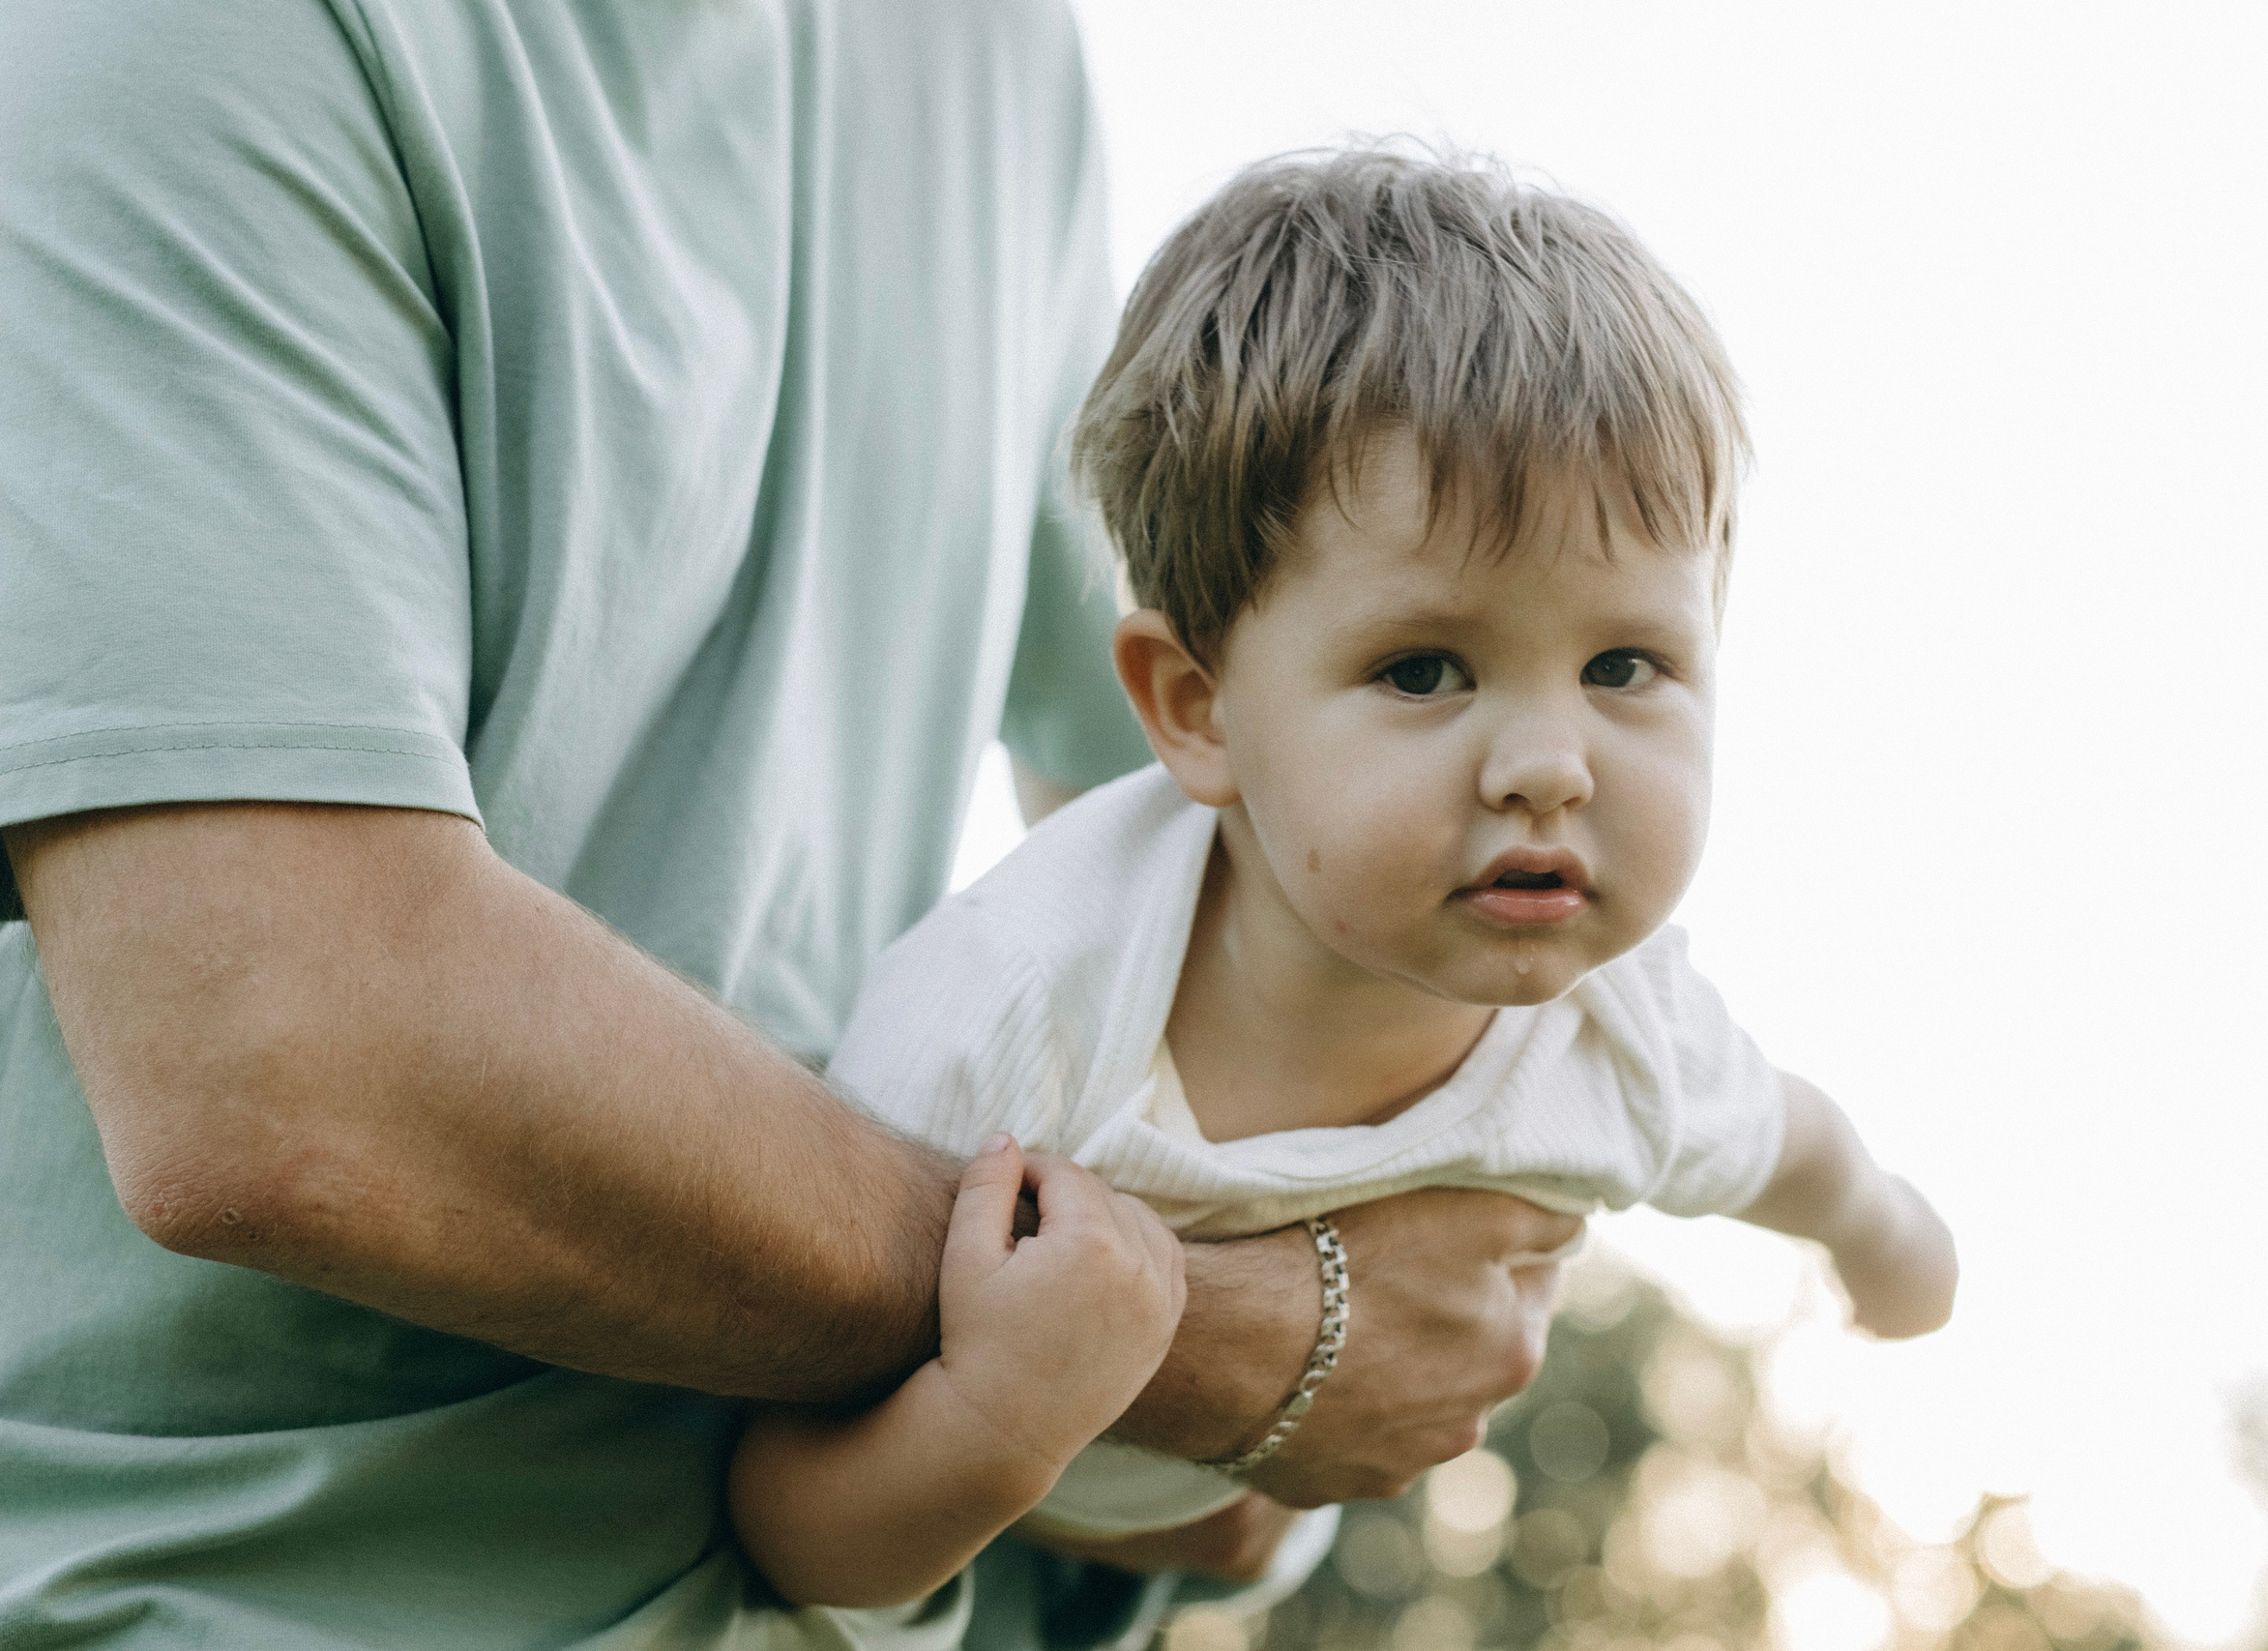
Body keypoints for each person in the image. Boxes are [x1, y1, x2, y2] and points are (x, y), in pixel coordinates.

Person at [0, 8, 1576, 1650]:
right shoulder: (183, 37)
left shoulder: (988, 58)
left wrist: (1296, 1356)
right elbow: (283, 1055)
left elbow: (1241, 817)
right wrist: (1211, 1352)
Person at [726, 147, 1961, 1603]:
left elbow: (1796, 1148)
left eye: (1626, 663)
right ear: (1197, 709)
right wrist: (1008, 1415)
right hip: (968, 1537)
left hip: (1267, 1544)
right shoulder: (1009, 1017)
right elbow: (786, 1521)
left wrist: (1890, 1249)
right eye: (1425, 669)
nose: (1549, 764)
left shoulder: (1626, 1031)